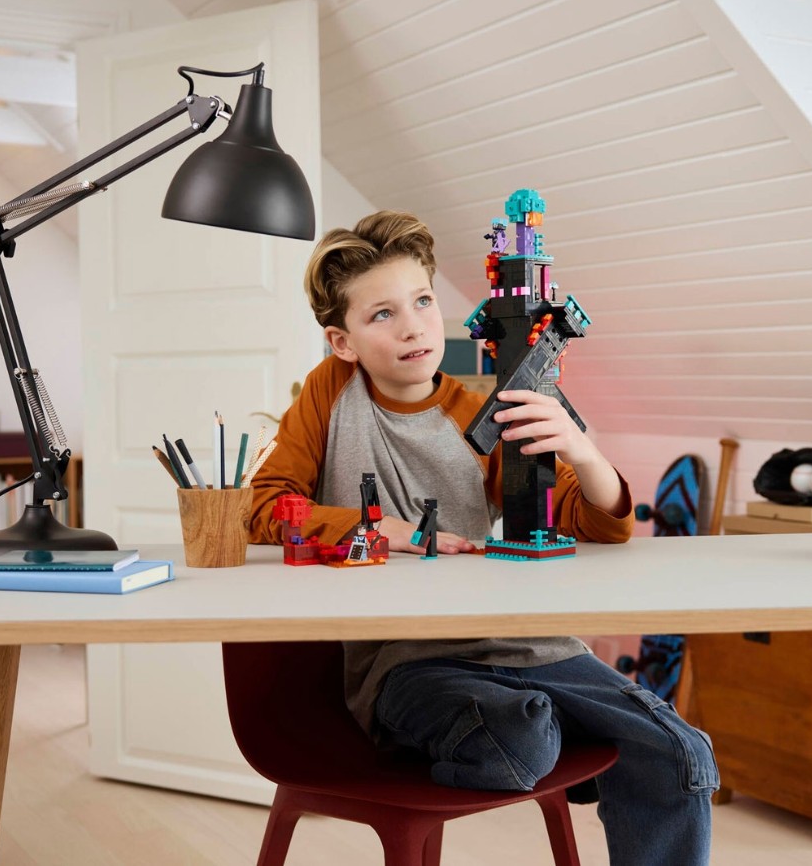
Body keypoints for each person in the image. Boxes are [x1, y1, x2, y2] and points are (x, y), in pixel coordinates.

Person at [248, 210, 718, 864]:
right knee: (521, 740)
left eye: (422, 301)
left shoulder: (479, 415)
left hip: (534, 646)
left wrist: (580, 448)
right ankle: (545, 729)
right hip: (411, 663)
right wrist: (384, 529)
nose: (413, 326)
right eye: (382, 314)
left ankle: (551, 725)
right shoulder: (331, 395)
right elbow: (264, 506)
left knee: (680, 751)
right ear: (343, 342)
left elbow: (600, 522)